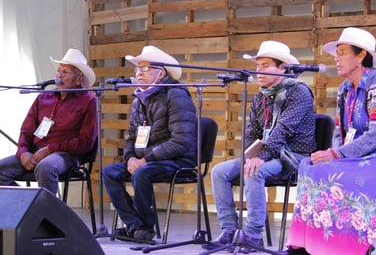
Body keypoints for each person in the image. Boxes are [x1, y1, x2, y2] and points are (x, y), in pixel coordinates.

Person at [276, 27, 376, 255]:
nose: (336, 58)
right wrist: (334, 156)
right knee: (309, 166)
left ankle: (348, 246)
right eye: (336, 53)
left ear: (360, 56)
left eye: (342, 52)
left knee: (331, 174)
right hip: (352, 155)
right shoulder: (345, 88)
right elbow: (341, 132)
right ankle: (305, 246)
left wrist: (337, 156)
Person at [202, 41, 316, 252]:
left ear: (282, 68)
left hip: (293, 156)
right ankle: (229, 231)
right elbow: (252, 133)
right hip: (267, 154)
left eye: (265, 65)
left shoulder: (298, 92)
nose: (259, 71)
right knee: (219, 172)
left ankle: (253, 236)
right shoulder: (260, 96)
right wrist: (248, 156)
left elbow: (284, 130)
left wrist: (259, 158)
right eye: (258, 65)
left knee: (254, 172)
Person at [102, 45, 197, 242]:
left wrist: (145, 159)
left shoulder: (176, 94)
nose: (139, 73)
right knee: (109, 172)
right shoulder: (138, 99)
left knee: (141, 172)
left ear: (161, 73)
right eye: (137, 68)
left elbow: (181, 141)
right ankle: (136, 227)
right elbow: (131, 136)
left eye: (145, 68)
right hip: (145, 159)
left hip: (177, 159)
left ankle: (145, 227)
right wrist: (129, 158)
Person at [0, 48, 98, 195]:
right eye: (59, 70)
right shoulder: (43, 97)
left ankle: (47, 217)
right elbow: (26, 130)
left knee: (46, 167)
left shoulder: (88, 100)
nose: (59, 75)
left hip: (66, 155)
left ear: (79, 79)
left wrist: (50, 149)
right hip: (35, 152)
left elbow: (86, 141)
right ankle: (29, 205)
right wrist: (23, 152)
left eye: (66, 72)